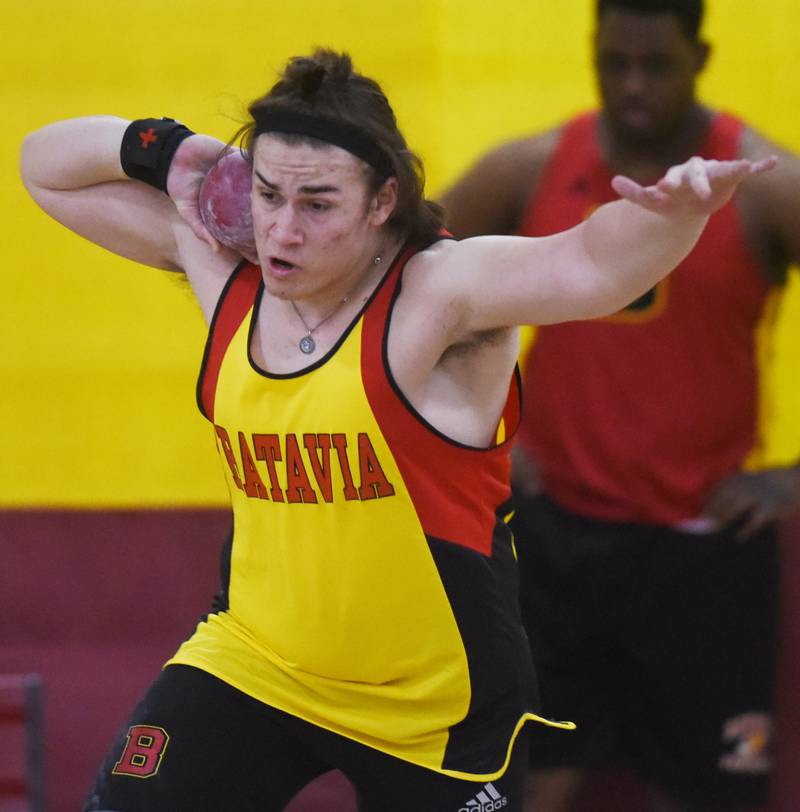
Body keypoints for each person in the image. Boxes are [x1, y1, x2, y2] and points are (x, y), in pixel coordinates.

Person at [20, 48, 772, 812]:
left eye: (318, 204)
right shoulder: (227, 272)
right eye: (268, 193)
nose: (282, 229)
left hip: (426, 711)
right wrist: (176, 155)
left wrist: (676, 216)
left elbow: (592, 265)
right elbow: (42, 166)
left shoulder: (439, 295)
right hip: (256, 662)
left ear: (382, 203)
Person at [439, 2, 800, 811]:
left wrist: (797, 479)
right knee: (518, 789)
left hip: (706, 554)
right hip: (550, 546)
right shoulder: (529, 171)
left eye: (657, 65)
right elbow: (399, 280)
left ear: (701, 55)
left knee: (711, 795)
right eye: (614, 63)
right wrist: (469, 433)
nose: (633, 86)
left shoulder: (765, 186)